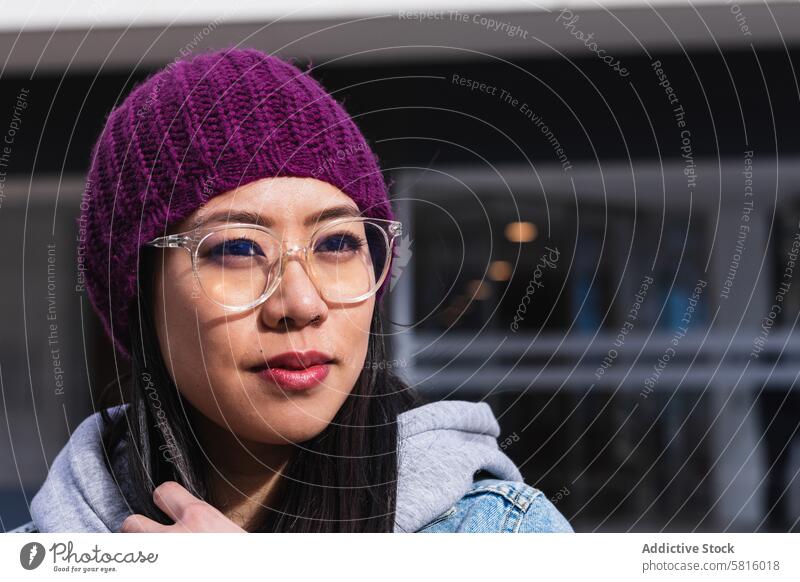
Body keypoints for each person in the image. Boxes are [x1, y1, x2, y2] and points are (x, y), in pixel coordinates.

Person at [11, 47, 573, 534]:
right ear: (139, 292)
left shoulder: (496, 536)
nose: (301, 305)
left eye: (336, 245)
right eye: (235, 249)